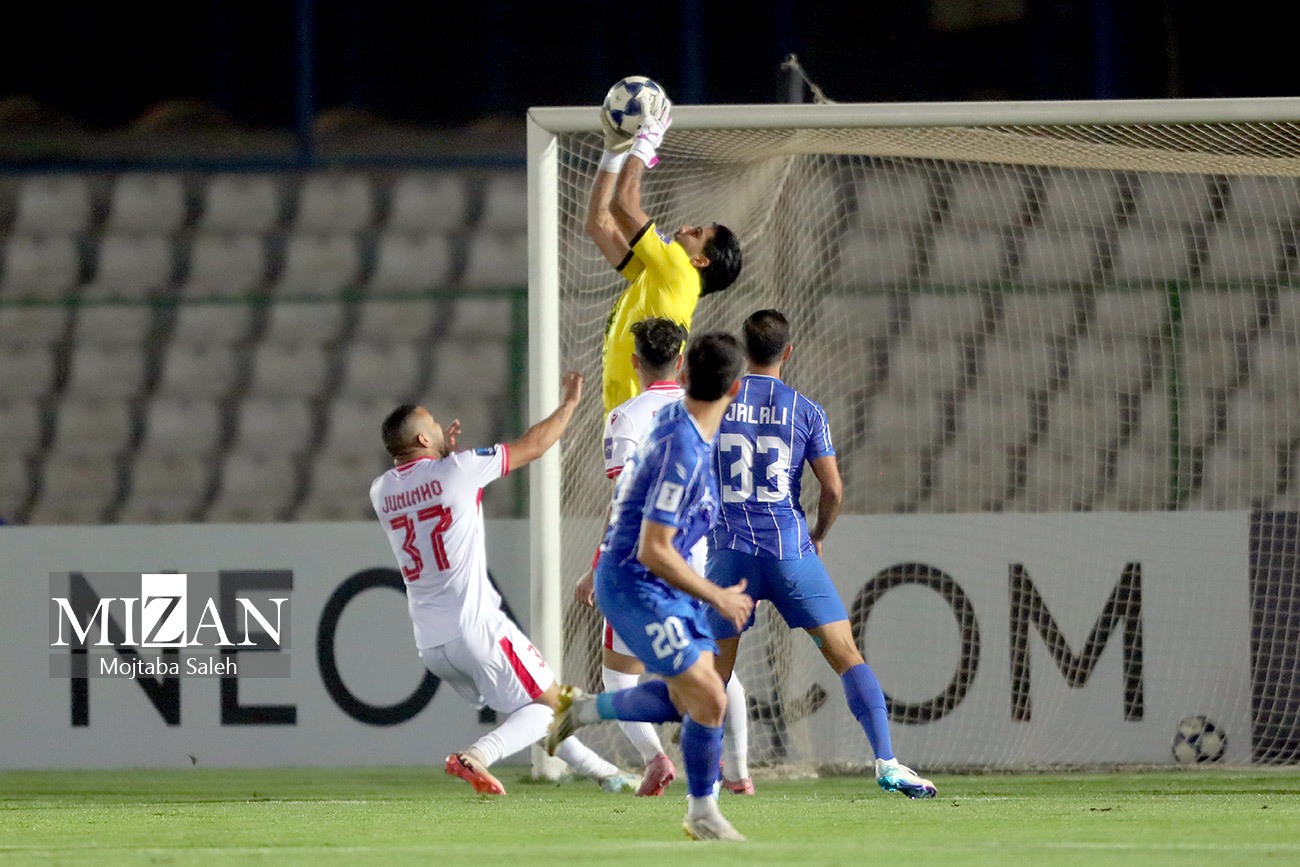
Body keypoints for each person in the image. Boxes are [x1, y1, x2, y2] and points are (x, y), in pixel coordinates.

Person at [706, 309, 937, 799]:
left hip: (729, 554)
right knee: (847, 655)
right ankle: (887, 762)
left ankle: (705, 779)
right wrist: (818, 533)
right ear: (788, 352)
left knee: (714, 674)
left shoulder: (716, 404)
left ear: (744, 351)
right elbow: (832, 489)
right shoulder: (806, 410)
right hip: (790, 551)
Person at [370, 372, 635, 796]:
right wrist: (569, 404)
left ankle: (610, 776)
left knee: (536, 711)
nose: (440, 425)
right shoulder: (460, 468)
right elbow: (535, 444)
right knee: (552, 705)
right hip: (476, 627)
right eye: (433, 423)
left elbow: (427, 488)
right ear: (422, 439)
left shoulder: (381, 491)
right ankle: (477, 755)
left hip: (432, 644)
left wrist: (445, 456)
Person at [547, 333, 754, 842]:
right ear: (736, 389)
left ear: (683, 376)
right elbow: (652, 549)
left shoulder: (684, 429)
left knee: (702, 696)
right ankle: (702, 811)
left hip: (662, 582)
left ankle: (582, 709)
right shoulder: (682, 447)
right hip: (636, 582)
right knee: (708, 693)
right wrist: (716, 594)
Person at [587, 88, 744, 414]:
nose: (684, 228)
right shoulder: (660, 278)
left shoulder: (678, 269)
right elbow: (599, 225)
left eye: (696, 233)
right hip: (630, 418)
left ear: (700, 260)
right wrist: (613, 152)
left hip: (641, 423)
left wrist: (645, 142)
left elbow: (622, 205)